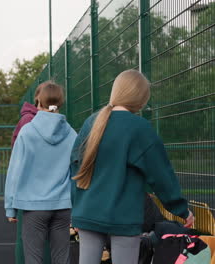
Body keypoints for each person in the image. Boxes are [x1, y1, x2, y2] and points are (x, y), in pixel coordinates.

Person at [70, 69, 194, 264]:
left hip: (87, 212)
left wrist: (76, 210)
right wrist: (182, 209)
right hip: (123, 218)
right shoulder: (140, 128)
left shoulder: (91, 123)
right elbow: (161, 176)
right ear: (142, 99)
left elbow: (75, 170)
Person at [5, 81, 77, 264]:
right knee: (62, 258)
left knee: (33, 259)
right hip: (63, 205)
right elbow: (77, 169)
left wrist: (10, 206)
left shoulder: (27, 132)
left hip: (33, 207)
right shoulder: (71, 134)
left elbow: (15, 170)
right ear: (60, 103)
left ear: (38, 99)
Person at [10, 80, 44, 264]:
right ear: (38, 98)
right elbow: (19, 160)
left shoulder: (51, 121)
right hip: (32, 191)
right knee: (30, 244)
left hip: (41, 192)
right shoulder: (29, 121)